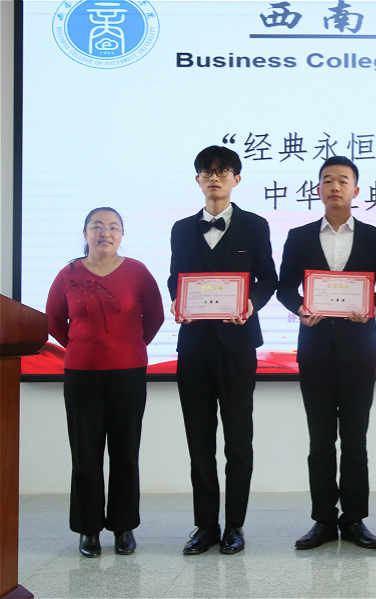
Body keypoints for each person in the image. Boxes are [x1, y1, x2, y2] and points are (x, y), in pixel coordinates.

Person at [277, 156, 376, 550]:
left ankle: (355, 519)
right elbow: (284, 287)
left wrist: (372, 306)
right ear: (318, 189)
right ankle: (324, 520)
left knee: (355, 439)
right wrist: (300, 308)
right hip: (314, 350)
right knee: (321, 439)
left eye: (343, 180)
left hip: (359, 350)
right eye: (327, 180)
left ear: (355, 190)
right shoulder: (299, 236)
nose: (335, 186)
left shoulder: (375, 236)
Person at [168, 145, 277, 555]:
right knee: (199, 442)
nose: (214, 177)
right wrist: (177, 299)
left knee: (238, 441)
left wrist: (251, 304)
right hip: (194, 346)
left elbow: (268, 279)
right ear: (198, 179)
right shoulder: (181, 228)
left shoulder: (255, 225)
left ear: (236, 179)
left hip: (237, 345)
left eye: (223, 171)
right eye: (207, 171)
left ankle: (234, 526)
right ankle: (205, 526)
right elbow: (175, 277)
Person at [46, 207, 164, 557]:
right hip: (81, 373)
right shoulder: (68, 273)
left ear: (122, 234)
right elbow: (54, 320)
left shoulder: (137, 271)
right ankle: (88, 529)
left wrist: (128, 346)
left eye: (113, 227)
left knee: (125, 452)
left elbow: (155, 316)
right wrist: (82, 345)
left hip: (128, 373)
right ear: (85, 233)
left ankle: (123, 527)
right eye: (97, 226)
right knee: (85, 453)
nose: (105, 233)